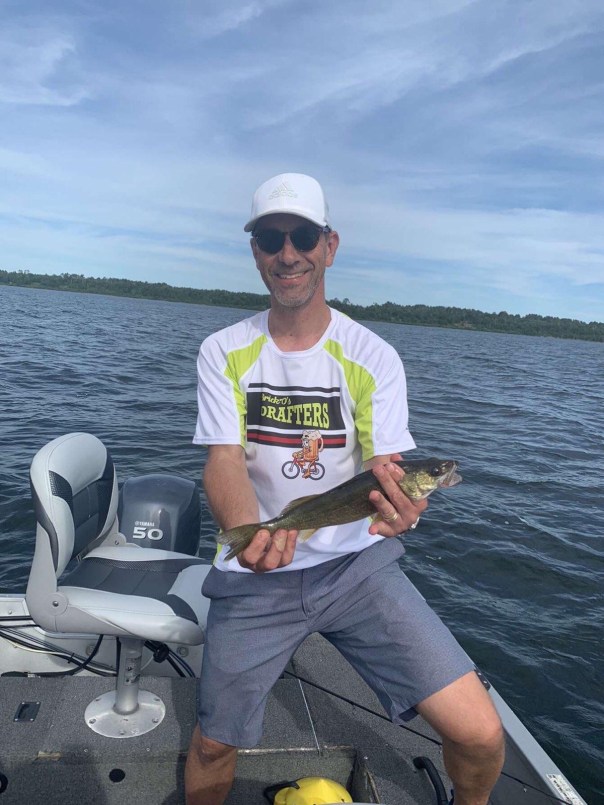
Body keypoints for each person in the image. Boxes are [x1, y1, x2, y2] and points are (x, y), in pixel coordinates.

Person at [185, 173, 505, 805]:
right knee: (214, 745)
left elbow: (387, 465)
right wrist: (250, 538)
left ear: (329, 246)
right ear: (255, 253)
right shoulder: (222, 350)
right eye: (270, 239)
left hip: (358, 567)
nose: (288, 253)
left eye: (303, 236)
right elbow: (224, 459)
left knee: (482, 735)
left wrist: (402, 511)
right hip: (258, 571)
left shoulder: (372, 355)